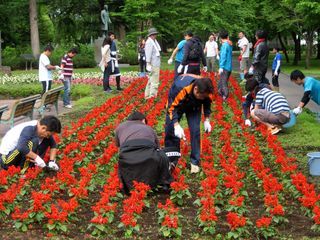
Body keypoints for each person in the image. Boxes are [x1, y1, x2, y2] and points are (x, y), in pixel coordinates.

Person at [115, 111, 177, 195]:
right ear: (143, 120)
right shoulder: (149, 128)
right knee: (164, 155)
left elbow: (119, 147)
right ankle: (165, 182)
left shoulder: (120, 127)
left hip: (127, 156)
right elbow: (157, 148)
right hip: (148, 155)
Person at [165, 74, 213, 173]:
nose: (203, 98)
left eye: (205, 97)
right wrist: (176, 125)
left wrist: (207, 119)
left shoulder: (206, 90)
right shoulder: (180, 88)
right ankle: (172, 158)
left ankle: (195, 162)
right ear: (195, 89)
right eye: (201, 96)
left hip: (194, 106)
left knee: (195, 131)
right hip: (177, 105)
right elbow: (171, 108)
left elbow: (207, 103)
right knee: (171, 129)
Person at [145, 27, 161, 99]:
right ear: (151, 35)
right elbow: (148, 54)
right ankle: (152, 96)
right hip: (153, 64)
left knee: (151, 80)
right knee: (154, 81)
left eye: (155, 34)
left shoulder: (153, 42)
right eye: (154, 34)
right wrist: (148, 63)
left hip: (155, 63)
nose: (155, 36)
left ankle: (147, 95)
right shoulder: (149, 42)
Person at [218, 30, 233, 100]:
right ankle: (221, 94)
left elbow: (223, 56)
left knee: (223, 82)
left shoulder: (225, 45)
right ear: (227, 36)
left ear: (220, 37)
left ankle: (225, 97)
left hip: (225, 67)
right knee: (222, 81)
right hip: (229, 66)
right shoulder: (229, 44)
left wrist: (221, 67)